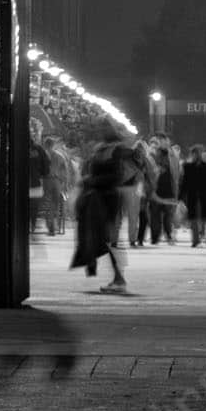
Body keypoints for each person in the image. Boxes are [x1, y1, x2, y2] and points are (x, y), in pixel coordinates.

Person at [70, 125, 131, 294]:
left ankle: (119, 278)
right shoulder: (105, 150)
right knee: (104, 239)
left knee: (108, 239)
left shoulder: (116, 151)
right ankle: (118, 277)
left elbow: (118, 176)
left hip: (107, 199)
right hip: (100, 198)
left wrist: (92, 180)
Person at [179, 145, 206, 248]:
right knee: (194, 218)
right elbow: (184, 182)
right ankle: (195, 240)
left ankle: (204, 235)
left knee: (204, 217)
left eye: (200, 153)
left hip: (205, 194)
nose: (198, 155)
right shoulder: (187, 167)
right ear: (193, 154)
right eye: (196, 153)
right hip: (192, 195)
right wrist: (181, 196)